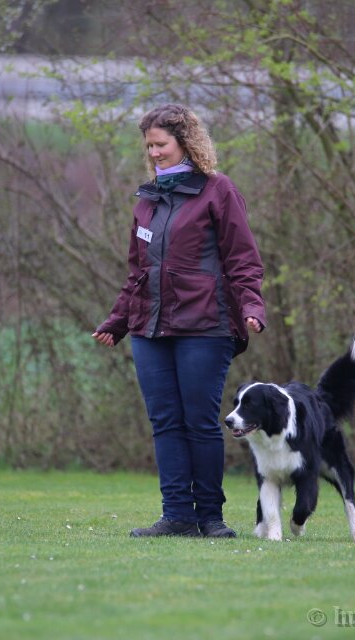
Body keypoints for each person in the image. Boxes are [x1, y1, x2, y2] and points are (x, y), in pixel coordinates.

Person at [92, 104, 266, 539]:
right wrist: (117, 322)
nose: (154, 153)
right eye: (149, 146)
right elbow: (138, 273)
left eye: (161, 144)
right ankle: (177, 516)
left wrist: (252, 306)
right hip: (149, 330)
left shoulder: (218, 191)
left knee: (199, 423)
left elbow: (242, 258)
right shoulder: (148, 201)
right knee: (165, 423)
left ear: (186, 143)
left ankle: (210, 517)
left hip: (205, 326)